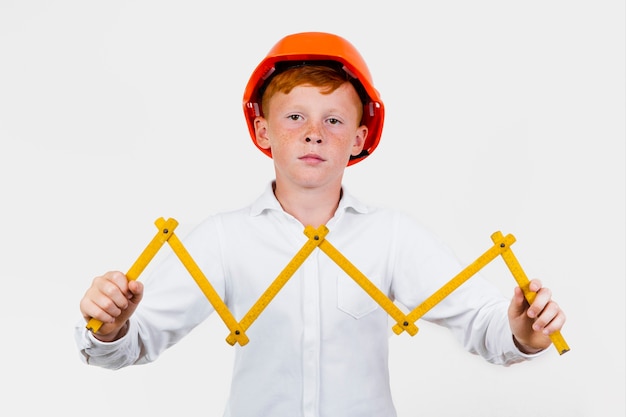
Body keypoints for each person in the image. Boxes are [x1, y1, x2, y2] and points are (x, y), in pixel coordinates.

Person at [75, 32, 566, 416]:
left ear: (359, 136)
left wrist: (523, 332)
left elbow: (486, 325)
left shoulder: (392, 237)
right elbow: (125, 347)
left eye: (333, 120)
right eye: (294, 116)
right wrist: (110, 328)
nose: (313, 133)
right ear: (263, 131)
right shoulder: (224, 239)